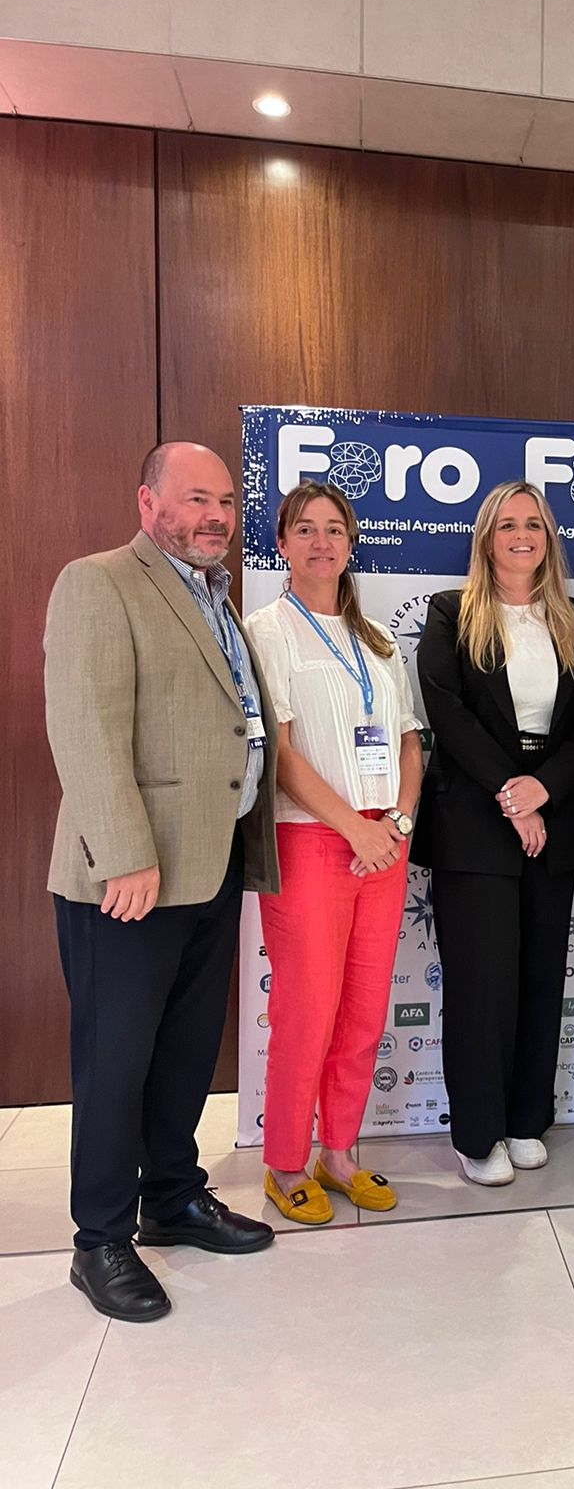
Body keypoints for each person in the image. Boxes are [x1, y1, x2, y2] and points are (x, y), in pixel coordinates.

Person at [44, 442, 280, 1323]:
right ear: (148, 503)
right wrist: (124, 853)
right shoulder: (99, 582)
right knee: (116, 1063)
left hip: (208, 865)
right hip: (130, 879)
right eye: (195, 499)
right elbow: (85, 726)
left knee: (184, 1052)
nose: (216, 516)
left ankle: (172, 1198)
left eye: (225, 501)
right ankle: (100, 1239)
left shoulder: (216, 595)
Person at [412, 481, 574, 1185]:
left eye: (534, 525)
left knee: (539, 979)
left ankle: (526, 1120)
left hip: (555, 809)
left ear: (548, 538)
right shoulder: (451, 612)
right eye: (507, 525)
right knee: (480, 985)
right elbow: (448, 713)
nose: (522, 536)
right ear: (486, 539)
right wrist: (512, 795)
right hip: (475, 815)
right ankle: (478, 1134)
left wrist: (543, 789)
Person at [246, 483, 423, 1223]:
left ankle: (339, 1152)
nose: (322, 543)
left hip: (385, 845)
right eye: (306, 530)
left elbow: (409, 739)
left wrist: (398, 822)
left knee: (363, 1010)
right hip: (313, 842)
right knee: (307, 1011)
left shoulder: (376, 638)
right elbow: (282, 753)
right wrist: (356, 828)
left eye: (334, 530)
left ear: (352, 543)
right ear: (282, 544)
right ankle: (285, 1162)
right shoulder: (265, 631)